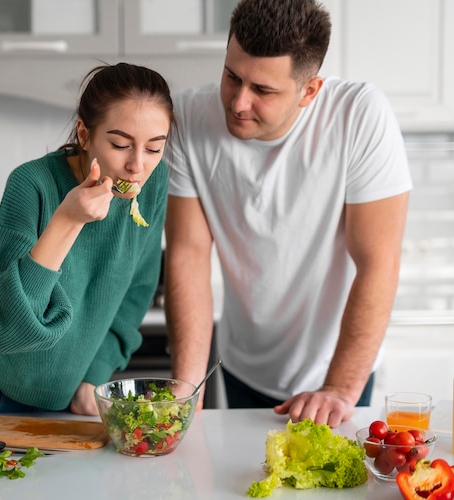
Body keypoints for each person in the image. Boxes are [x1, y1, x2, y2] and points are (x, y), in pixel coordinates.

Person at [164, 0, 412, 428]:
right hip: (242, 362)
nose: (239, 102)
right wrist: (188, 385)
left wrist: (337, 389)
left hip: (336, 370)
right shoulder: (186, 118)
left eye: (263, 90)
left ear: (309, 91)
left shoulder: (359, 115)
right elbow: (187, 254)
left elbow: (378, 262)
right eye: (231, 77)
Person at [0, 63, 175, 415]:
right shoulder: (32, 185)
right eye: (120, 144)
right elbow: (5, 329)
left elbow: (136, 291)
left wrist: (95, 375)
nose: (137, 166)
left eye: (154, 148)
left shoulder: (153, 183)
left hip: (70, 401)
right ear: (84, 134)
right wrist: (67, 220)